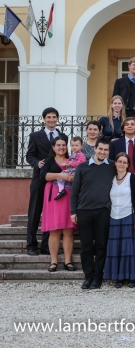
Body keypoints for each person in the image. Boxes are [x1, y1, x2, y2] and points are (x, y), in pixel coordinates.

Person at [71, 138, 116, 289]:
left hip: (103, 211)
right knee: (86, 247)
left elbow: (126, 175)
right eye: (100, 149)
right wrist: (73, 211)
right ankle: (88, 277)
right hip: (84, 211)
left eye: (106, 150)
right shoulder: (82, 167)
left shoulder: (112, 166)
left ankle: (97, 277)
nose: (103, 152)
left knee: (101, 246)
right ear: (95, 148)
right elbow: (75, 191)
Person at [26, 107, 69, 256]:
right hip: (40, 179)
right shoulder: (35, 136)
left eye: (54, 117)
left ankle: (46, 246)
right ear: (44, 119)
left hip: (57, 182)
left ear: (57, 119)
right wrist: (37, 163)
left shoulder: (63, 136)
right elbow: (29, 155)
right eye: (49, 117)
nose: (51, 120)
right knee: (35, 211)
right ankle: (31, 244)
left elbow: (65, 155)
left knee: (51, 213)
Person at [104, 152, 135, 288]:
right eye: (119, 161)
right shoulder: (110, 178)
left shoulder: (133, 178)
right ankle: (119, 278)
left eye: (125, 162)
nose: (122, 164)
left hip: (129, 215)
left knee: (129, 249)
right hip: (114, 217)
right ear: (115, 163)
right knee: (116, 248)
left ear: (128, 165)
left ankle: (132, 277)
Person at [41, 137, 77, 272]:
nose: (61, 147)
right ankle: (54, 261)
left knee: (68, 230)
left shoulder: (72, 160)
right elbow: (44, 176)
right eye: (58, 145)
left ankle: (68, 261)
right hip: (53, 198)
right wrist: (62, 176)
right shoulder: (48, 161)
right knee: (54, 230)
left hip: (69, 197)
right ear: (53, 147)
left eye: (63, 145)